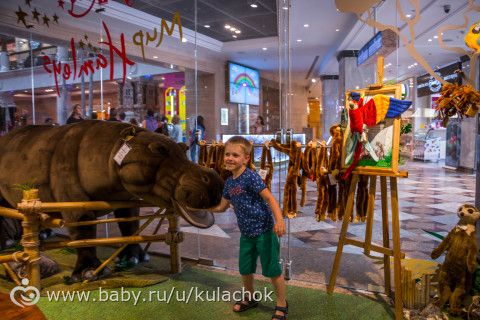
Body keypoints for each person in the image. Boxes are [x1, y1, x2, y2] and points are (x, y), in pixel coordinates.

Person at [208, 136, 288, 319]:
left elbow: (270, 198)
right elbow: (222, 207)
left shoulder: (251, 177)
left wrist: (279, 220)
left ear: (246, 159)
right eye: (227, 154)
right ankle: (250, 298)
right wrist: (201, 208)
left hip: (264, 232)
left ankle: (282, 303)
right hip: (246, 235)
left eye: (235, 155)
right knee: (245, 269)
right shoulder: (228, 183)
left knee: (272, 270)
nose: (229, 158)